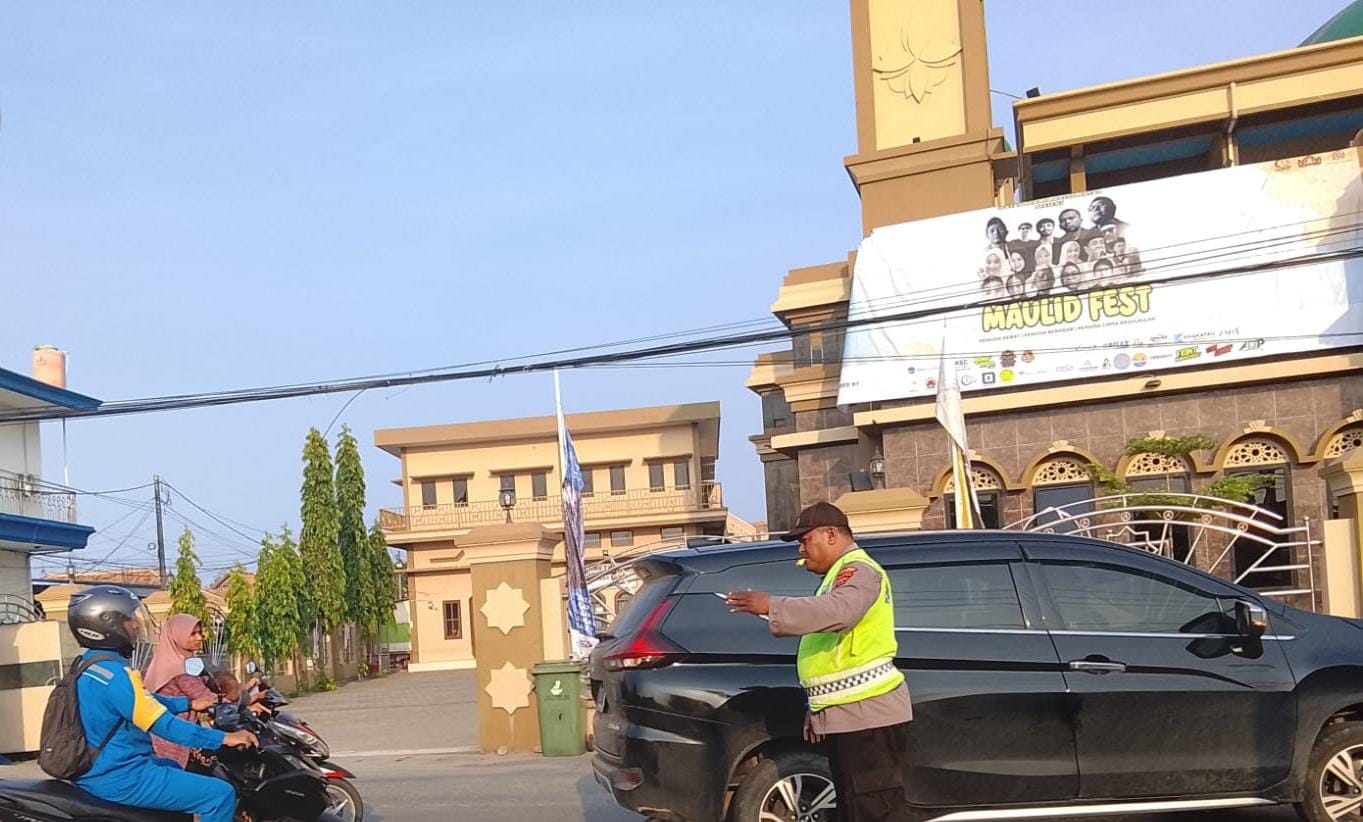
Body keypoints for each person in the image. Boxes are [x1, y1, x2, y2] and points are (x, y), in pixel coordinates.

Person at [726, 503, 912, 822]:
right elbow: (833, 655)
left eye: (805, 539)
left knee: (875, 810)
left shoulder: (859, 571)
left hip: (869, 719)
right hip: (852, 715)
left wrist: (770, 605)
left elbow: (838, 612)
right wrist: (820, 709)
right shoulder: (837, 576)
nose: (801, 550)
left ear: (831, 535)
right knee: (856, 808)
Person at [65, 585, 257, 822]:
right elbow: (165, 725)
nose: (136, 626)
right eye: (128, 619)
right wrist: (224, 738)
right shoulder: (116, 676)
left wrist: (186, 704)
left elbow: (140, 701)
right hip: (121, 775)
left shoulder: (90, 666)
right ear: (106, 626)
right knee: (220, 794)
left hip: (99, 768)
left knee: (171, 766)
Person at [144, 613, 216, 768]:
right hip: (174, 739)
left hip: (166, 734)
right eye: (192, 634)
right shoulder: (179, 668)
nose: (199, 638)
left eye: (200, 633)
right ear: (177, 636)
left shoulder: (170, 661)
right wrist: (246, 699)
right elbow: (206, 697)